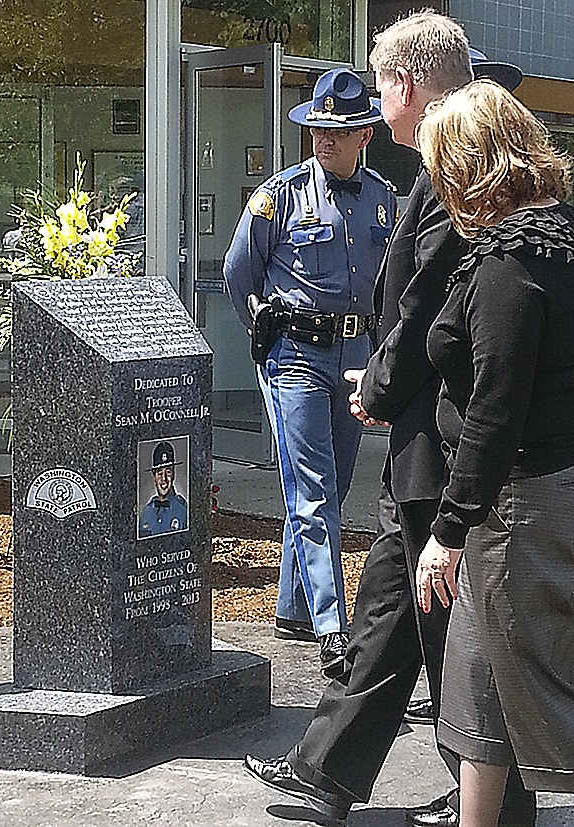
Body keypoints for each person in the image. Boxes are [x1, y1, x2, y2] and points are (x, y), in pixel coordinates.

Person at [243, 12, 535, 827]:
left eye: (380, 86)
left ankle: (494, 792)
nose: (376, 104)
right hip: (418, 433)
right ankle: (329, 769)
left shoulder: (452, 171)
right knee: (390, 605)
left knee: (440, 615)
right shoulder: (431, 167)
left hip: (439, 434)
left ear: (406, 85)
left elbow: (425, 304)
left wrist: (376, 382)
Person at [414, 80, 574, 825]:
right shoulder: (558, 237)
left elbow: (495, 410)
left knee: (543, 693)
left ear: (467, 164)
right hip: (530, 494)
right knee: (479, 687)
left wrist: (447, 531)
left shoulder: (509, 263)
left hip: (519, 506)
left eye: (439, 166)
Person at [223, 67, 396, 678]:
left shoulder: (383, 200)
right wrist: (263, 332)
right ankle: (331, 625)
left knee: (336, 484)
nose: (325, 140)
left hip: (356, 359)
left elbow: (387, 288)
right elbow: (239, 273)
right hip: (294, 354)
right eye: (317, 129)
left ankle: (294, 606)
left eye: (338, 131)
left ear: (364, 137)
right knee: (313, 489)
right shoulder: (279, 197)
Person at [138, 441, 187, 537]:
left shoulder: (183, 510)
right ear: (154, 477)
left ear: (173, 474)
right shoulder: (146, 512)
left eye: (168, 472)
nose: (163, 479)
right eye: (159, 473)